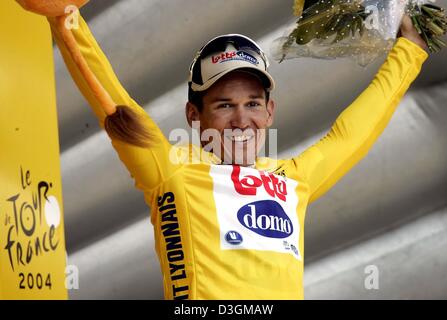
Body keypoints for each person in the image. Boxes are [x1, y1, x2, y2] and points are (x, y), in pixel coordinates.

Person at [17, 1, 429, 299]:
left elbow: (351, 134)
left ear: (269, 111)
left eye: (252, 104)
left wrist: (410, 50)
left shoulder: (292, 181)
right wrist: (65, 18)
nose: (240, 119)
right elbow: (112, 102)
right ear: (194, 115)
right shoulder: (171, 170)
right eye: (223, 105)